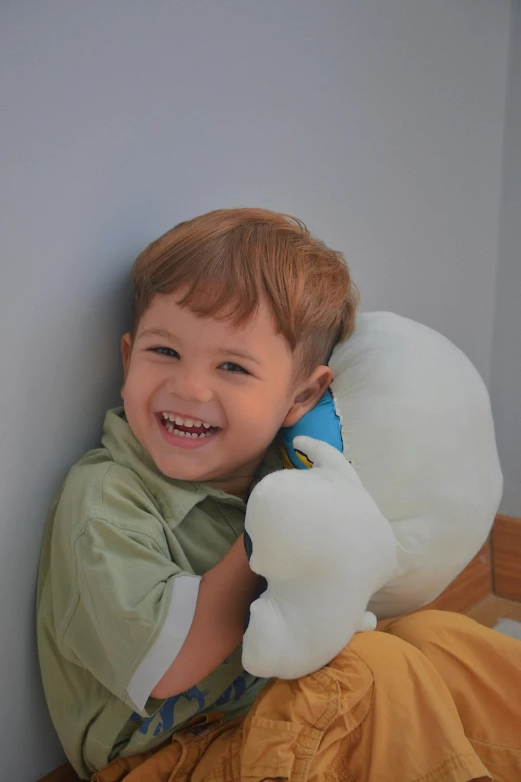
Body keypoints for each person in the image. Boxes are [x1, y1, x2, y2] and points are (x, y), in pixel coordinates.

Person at [37, 208, 521, 782]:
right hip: (169, 758)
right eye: (164, 352)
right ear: (127, 357)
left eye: (233, 367)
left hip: (272, 719)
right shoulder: (105, 497)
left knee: (436, 640)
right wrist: (276, 535)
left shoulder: (283, 465)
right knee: (366, 671)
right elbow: (163, 667)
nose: (189, 387)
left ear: (301, 396)